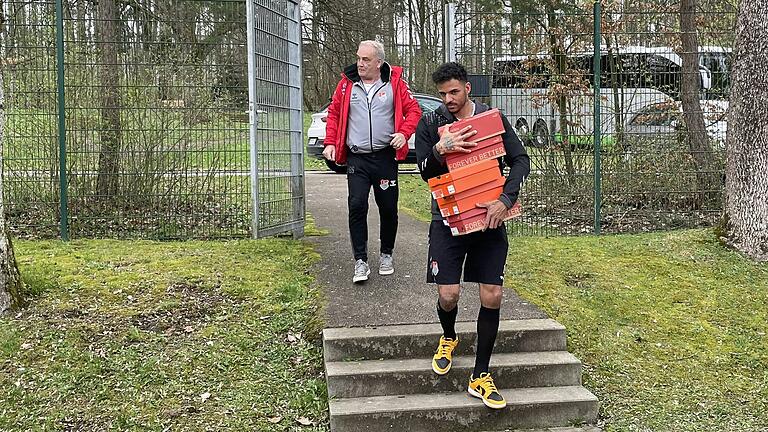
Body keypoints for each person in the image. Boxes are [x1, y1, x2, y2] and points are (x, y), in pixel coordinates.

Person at [414, 62, 530, 409]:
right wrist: (440, 149)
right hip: (448, 219)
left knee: (491, 294)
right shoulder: (431, 123)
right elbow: (423, 171)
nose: (448, 99)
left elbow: (521, 160)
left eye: (454, 92)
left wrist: (505, 200)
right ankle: (449, 336)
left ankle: (480, 375)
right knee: (448, 295)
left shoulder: (492, 120)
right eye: (442, 94)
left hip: (490, 218)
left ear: (467, 88)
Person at [323, 40, 422, 283]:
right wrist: (330, 143)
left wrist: (403, 134)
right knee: (357, 206)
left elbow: (415, 111)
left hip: (385, 157)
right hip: (357, 158)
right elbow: (334, 114)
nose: (360, 63)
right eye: (359, 58)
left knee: (388, 208)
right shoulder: (346, 85)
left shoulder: (395, 83)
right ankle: (360, 261)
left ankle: (386, 253)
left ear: (379, 63)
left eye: (366, 60)